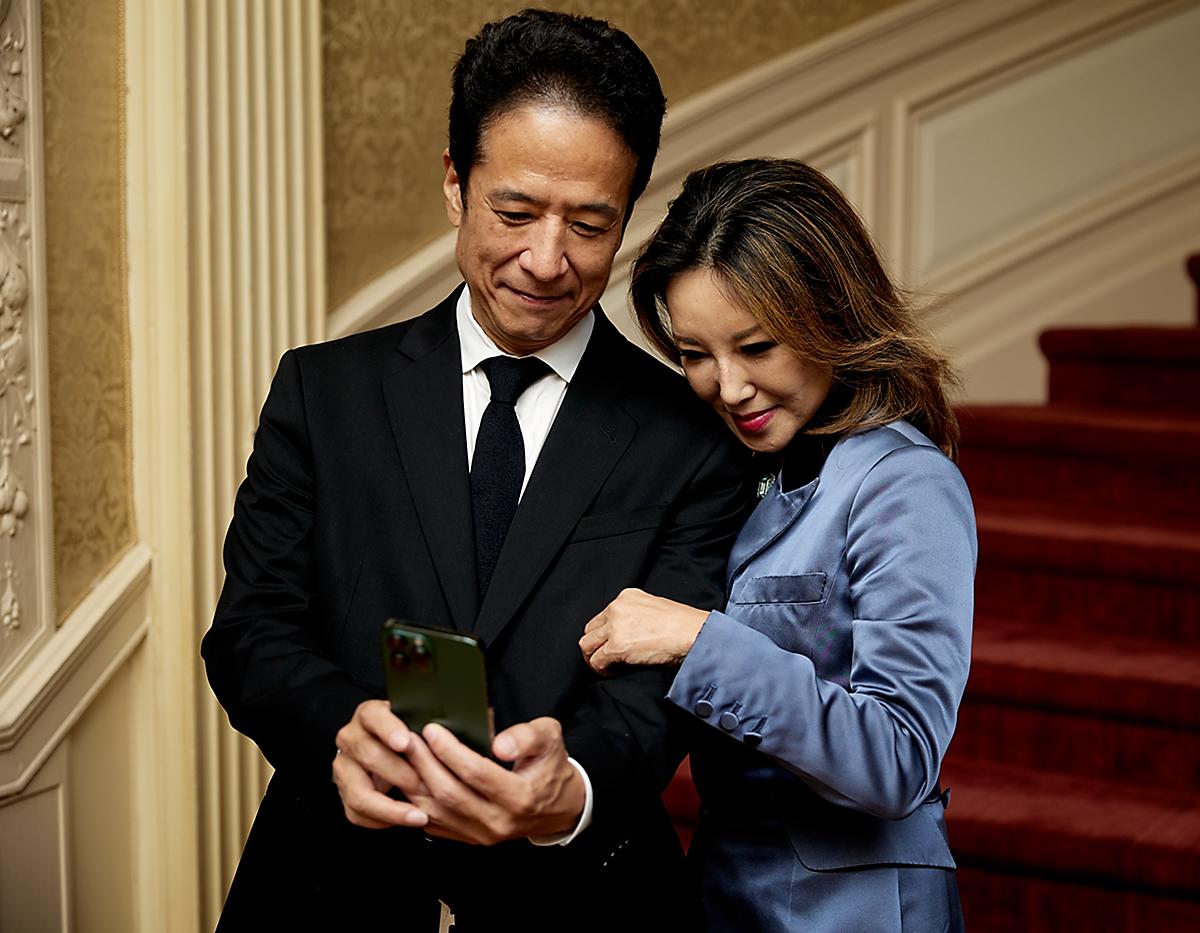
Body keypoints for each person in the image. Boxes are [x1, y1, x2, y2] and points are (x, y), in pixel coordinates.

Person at [201, 11, 749, 932]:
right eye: (515, 212)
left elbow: (668, 689)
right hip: (329, 887)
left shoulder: (690, 437)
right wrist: (339, 727)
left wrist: (569, 787)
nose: (547, 260)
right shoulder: (322, 391)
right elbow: (250, 631)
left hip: (586, 903)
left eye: (589, 224)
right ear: (456, 186)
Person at [580, 158, 975, 932]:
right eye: (695, 354)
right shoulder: (739, 472)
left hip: (856, 910)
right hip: (724, 890)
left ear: (829, 314)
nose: (727, 387)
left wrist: (698, 638)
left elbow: (899, 758)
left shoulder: (906, 483)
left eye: (757, 347)